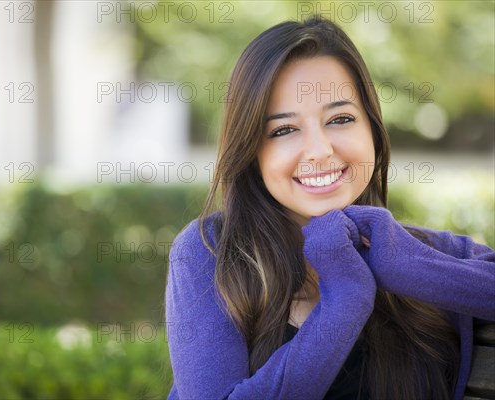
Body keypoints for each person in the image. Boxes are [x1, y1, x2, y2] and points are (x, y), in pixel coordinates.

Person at [164, 16, 495, 400]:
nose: (320, 150)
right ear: (252, 151)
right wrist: (343, 303)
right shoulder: (211, 254)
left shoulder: (416, 251)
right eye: (284, 130)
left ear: (372, 130)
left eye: (340, 119)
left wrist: (411, 267)